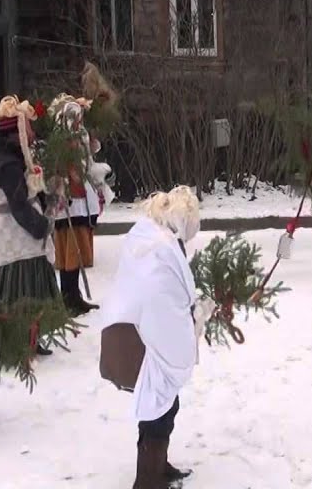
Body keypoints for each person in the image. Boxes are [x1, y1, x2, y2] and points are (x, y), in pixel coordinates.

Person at [97, 187, 214, 489]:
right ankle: (148, 479)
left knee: (161, 404)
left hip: (127, 334)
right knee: (159, 410)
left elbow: (166, 300)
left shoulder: (148, 237)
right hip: (142, 344)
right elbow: (165, 308)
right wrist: (196, 317)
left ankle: (157, 466)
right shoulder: (161, 250)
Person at [0, 96, 60, 356]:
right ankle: (13, 341)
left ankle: (31, 336)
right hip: (15, 230)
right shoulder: (7, 164)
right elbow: (18, 205)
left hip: (21, 228)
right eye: (26, 129)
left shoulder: (14, 158)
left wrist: (48, 197)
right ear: (15, 134)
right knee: (19, 284)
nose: (30, 135)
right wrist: (40, 226)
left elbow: (26, 193)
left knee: (31, 282)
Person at [45, 92, 113, 315]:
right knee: (70, 250)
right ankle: (68, 299)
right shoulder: (62, 138)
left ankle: (74, 297)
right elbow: (58, 166)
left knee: (75, 248)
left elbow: (87, 158)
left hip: (80, 197)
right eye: (77, 117)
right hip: (69, 200)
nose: (79, 121)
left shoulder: (79, 134)